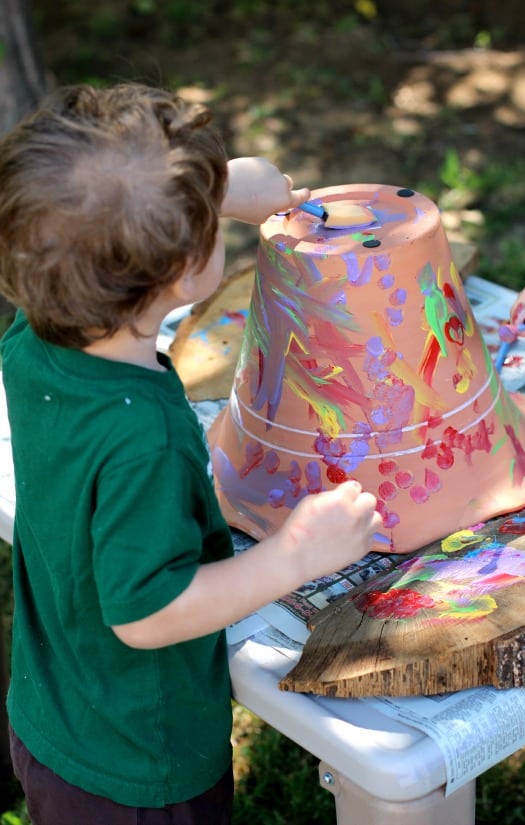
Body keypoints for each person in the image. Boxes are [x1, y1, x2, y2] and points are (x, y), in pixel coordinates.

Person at [0, 83, 381, 825]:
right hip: (140, 766)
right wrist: (295, 557)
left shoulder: (34, 334)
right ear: (178, 270)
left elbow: (84, 223)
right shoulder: (142, 435)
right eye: (205, 222)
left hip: (54, 711)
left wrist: (227, 189)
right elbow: (146, 612)